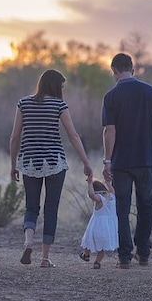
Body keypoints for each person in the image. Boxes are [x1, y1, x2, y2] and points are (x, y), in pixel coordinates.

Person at [10, 69, 93, 268]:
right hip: (55, 162)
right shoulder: (59, 105)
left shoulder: (24, 103)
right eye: (62, 86)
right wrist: (86, 162)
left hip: (29, 161)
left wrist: (13, 165)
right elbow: (73, 136)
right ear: (56, 86)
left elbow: (14, 137)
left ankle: (28, 241)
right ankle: (45, 258)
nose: (62, 90)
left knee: (31, 206)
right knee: (51, 209)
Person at [102, 53, 152, 269]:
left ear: (113, 71)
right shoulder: (149, 91)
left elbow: (109, 130)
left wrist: (107, 160)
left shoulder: (111, 96)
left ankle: (124, 257)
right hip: (145, 160)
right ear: (133, 69)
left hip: (121, 163)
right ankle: (143, 253)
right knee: (146, 206)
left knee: (121, 209)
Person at [79, 178, 118, 269]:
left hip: (97, 225)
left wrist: (89, 184)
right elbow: (112, 190)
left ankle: (86, 255)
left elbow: (91, 195)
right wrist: (107, 182)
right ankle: (97, 262)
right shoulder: (112, 196)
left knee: (89, 240)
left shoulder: (100, 199)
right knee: (102, 247)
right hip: (108, 228)